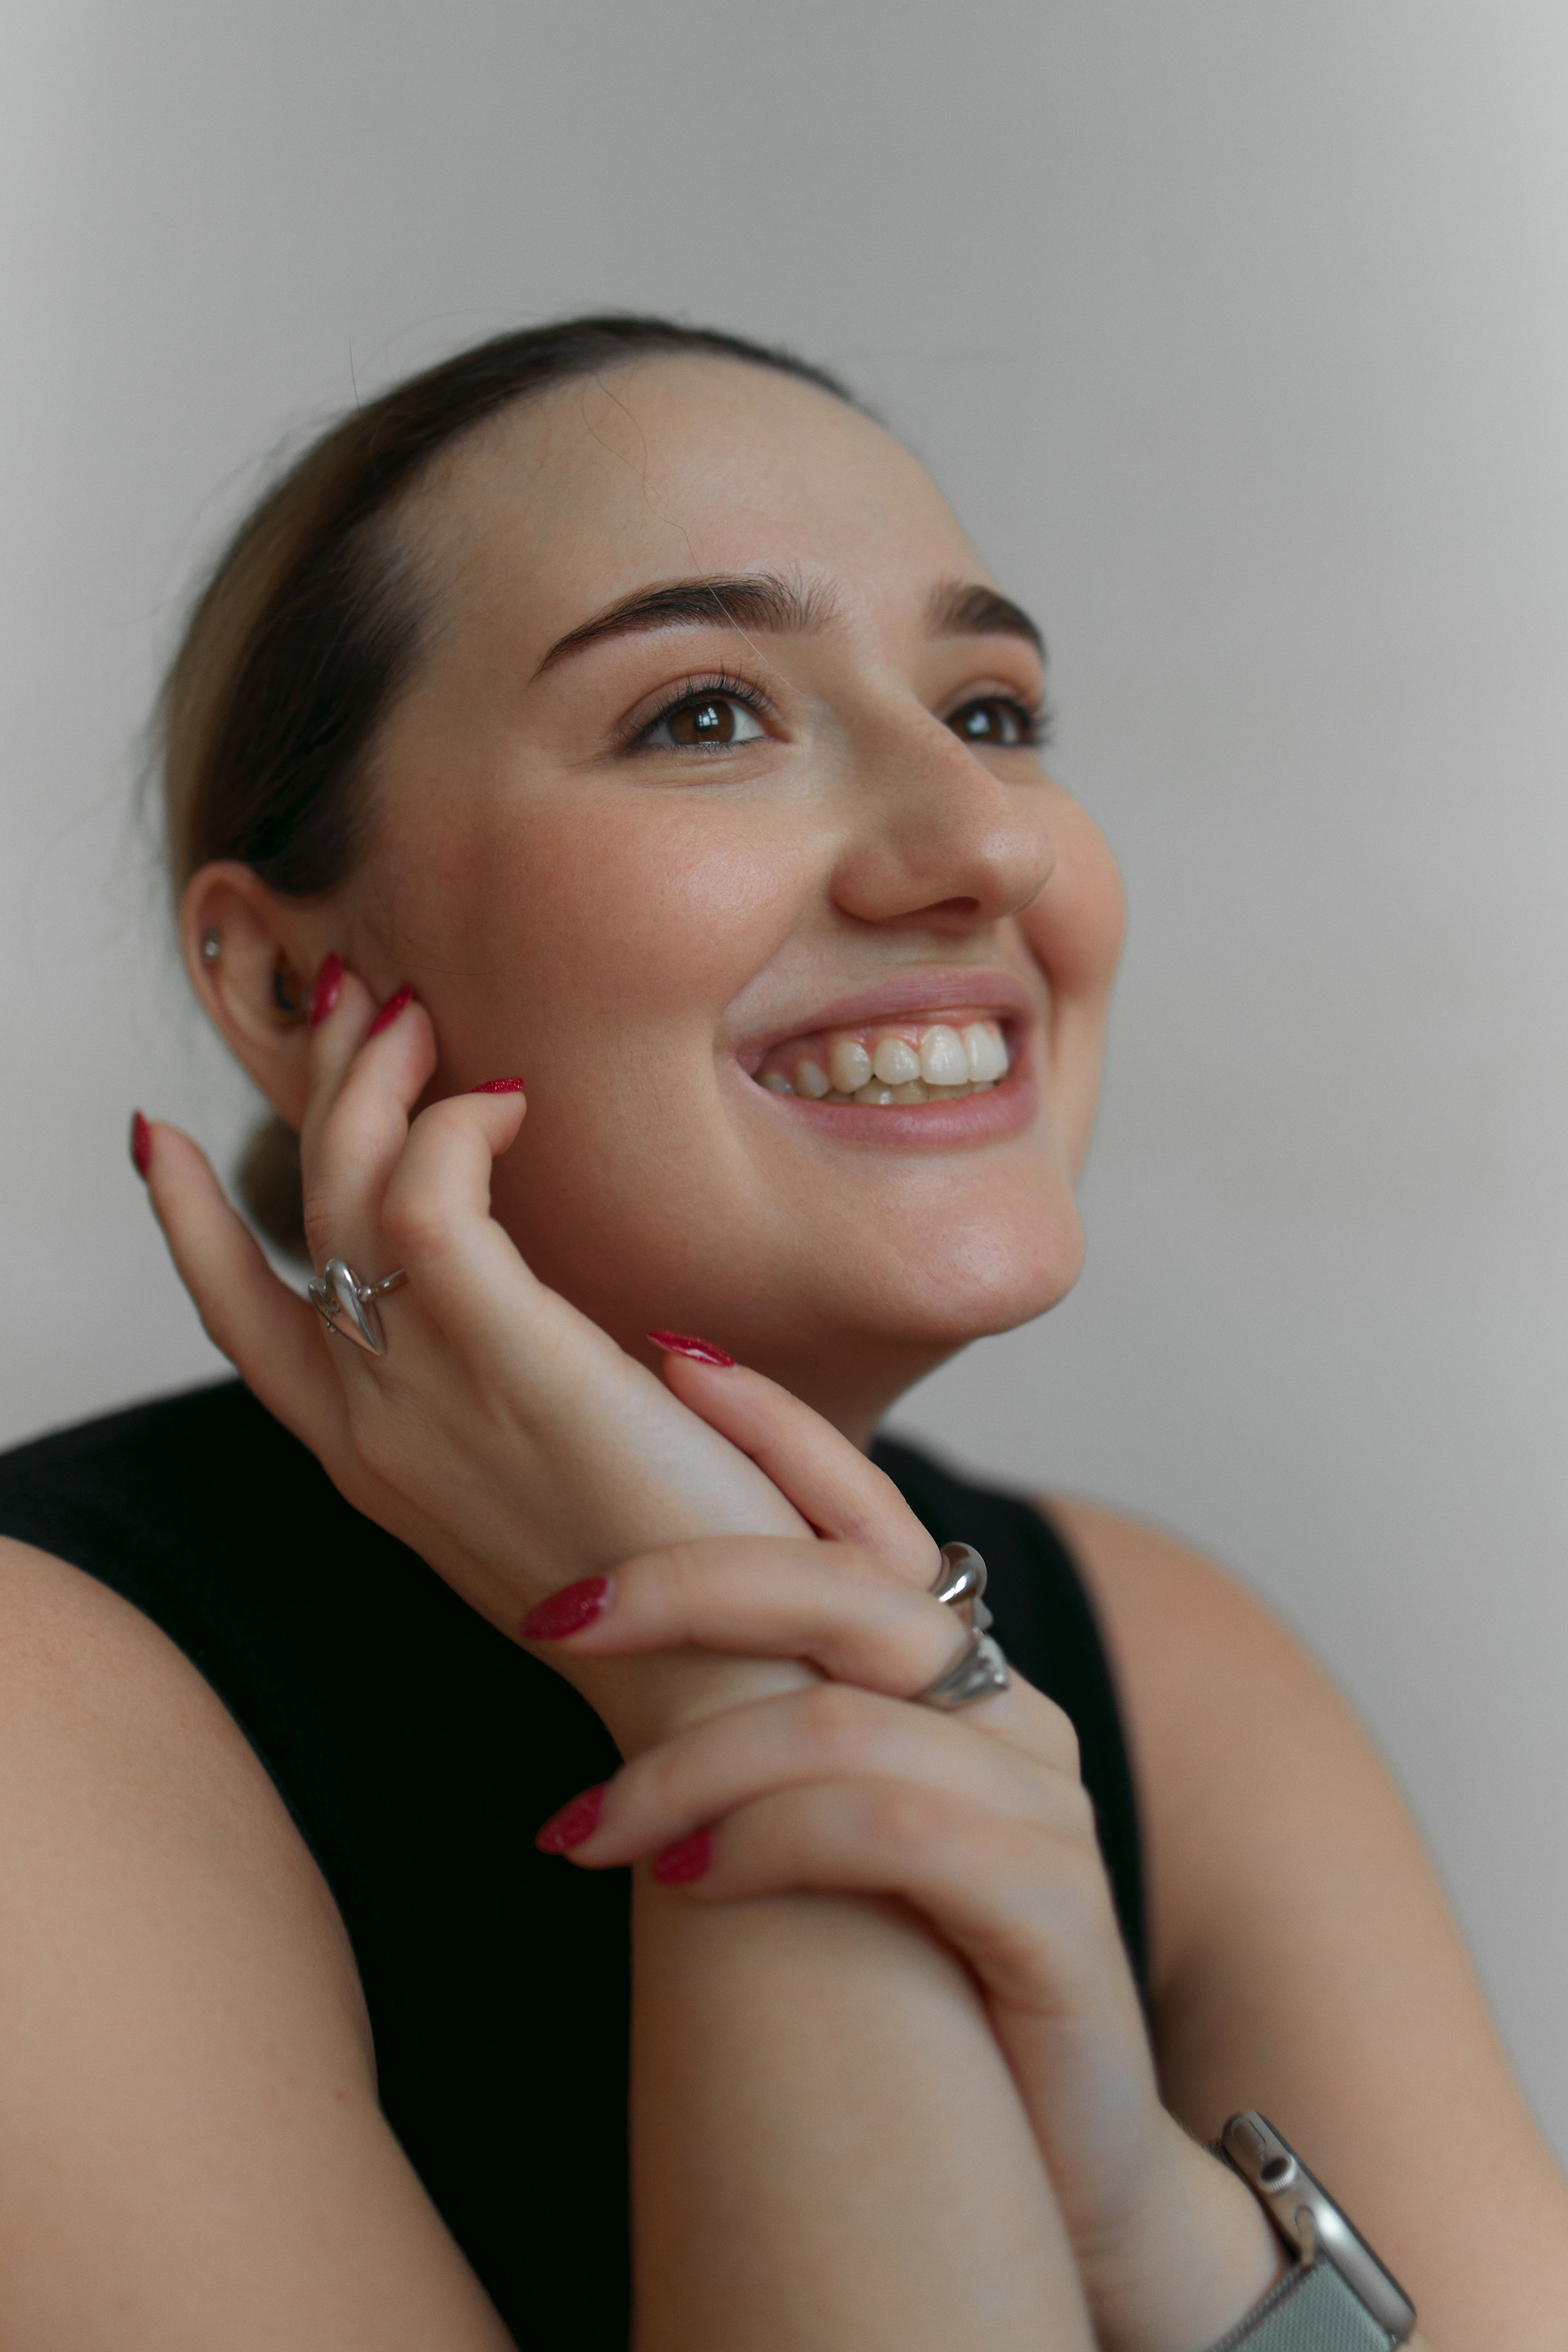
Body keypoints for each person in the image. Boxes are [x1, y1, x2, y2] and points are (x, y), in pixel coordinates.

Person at [0, 314, 1560, 2352]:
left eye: (993, 711)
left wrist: (1156, 2227)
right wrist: (739, 1712)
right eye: (708, 713)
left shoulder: (1177, 1666)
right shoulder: (44, 1714)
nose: (985, 841)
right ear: (297, 986)